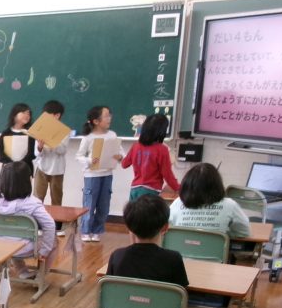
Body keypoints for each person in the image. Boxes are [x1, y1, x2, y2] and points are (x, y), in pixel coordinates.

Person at [0, 161, 58, 279]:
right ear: (27, 181)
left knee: (12, 235)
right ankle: (40, 276)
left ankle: (22, 271)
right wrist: (44, 252)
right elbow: (50, 225)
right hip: (21, 248)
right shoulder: (32, 203)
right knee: (54, 241)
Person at [76, 105, 124, 242]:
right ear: (96, 121)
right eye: (106, 116)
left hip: (107, 174)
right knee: (89, 204)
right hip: (92, 175)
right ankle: (85, 231)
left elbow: (121, 152)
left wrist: (120, 157)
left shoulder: (112, 135)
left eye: (110, 115)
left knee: (104, 205)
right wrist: (89, 160)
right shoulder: (88, 137)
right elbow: (79, 156)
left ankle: (97, 231)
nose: (109, 118)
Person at [168, 162, 250, 238]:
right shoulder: (230, 205)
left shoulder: (177, 203)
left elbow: (166, 229)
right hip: (216, 249)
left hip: (179, 248)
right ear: (217, 185)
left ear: (186, 184)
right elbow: (244, 232)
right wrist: (224, 234)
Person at [121, 114, 180, 201]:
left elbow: (124, 164)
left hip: (134, 190)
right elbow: (167, 174)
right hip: (150, 191)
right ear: (161, 131)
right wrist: (179, 188)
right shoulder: (162, 149)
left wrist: (120, 157)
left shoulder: (136, 146)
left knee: (133, 210)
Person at [33, 100, 69, 235]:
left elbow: (62, 150)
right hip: (42, 168)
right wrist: (40, 146)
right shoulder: (40, 128)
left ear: (57, 115)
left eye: (48, 115)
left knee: (56, 198)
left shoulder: (64, 131)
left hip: (57, 170)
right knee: (38, 198)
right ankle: (38, 226)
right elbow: (36, 153)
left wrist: (51, 141)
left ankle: (57, 226)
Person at [0, 102, 36, 168]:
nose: (27, 115)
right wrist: (12, 165)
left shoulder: (30, 134)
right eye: (23, 113)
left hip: (26, 168)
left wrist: (20, 165)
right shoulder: (6, 133)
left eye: (28, 114)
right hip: (9, 169)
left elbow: (32, 154)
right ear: (14, 114)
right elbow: (1, 155)